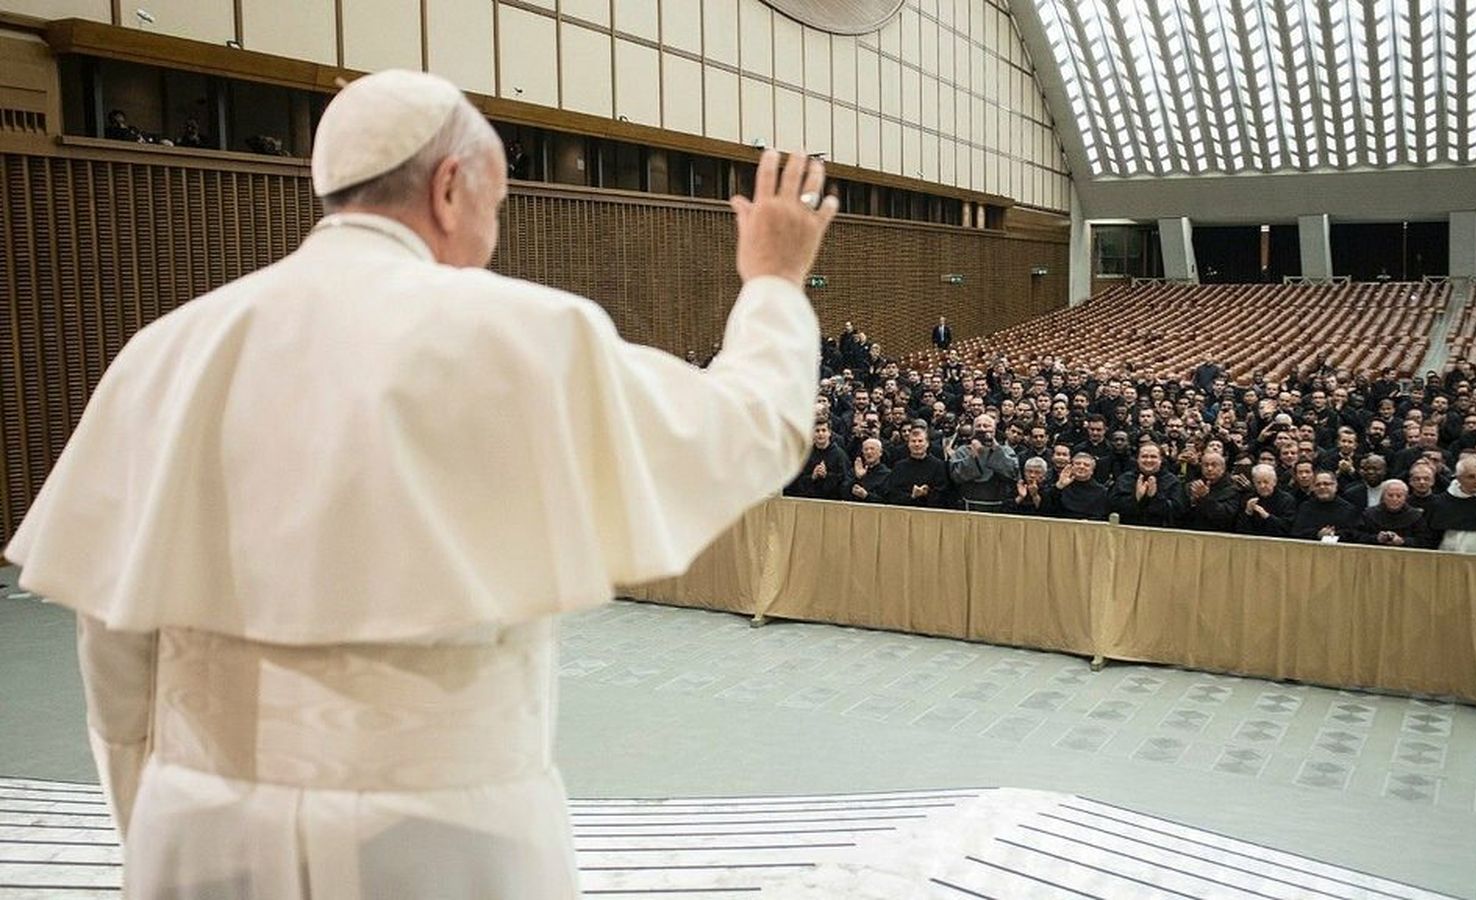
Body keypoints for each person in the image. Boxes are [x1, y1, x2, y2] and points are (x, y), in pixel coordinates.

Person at [3, 70, 838, 898]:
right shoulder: (522, 331)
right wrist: (772, 282)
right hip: (444, 837)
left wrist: (157, 821)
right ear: (450, 188)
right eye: (497, 205)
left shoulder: (166, 350)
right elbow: (750, 430)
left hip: (201, 827)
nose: (491, 234)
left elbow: (113, 642)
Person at [948, 413, 1019, 513]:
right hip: (970, 505)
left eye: (986, 426)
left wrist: (996, 449)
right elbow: (956, 476)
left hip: (998, 505)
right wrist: (973, 457)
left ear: (994, 430)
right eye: (978, 426)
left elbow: (1012, 473)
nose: (982, 429)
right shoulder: (963, 451)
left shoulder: (1006, 451)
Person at [1109, 442, 1182, 527]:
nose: (1148, 460)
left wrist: (1155, 497)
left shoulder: (1172, 481)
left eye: (1153, 457)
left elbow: (1178, 513)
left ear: (1161, 459)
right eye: (1144, 456)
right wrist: (1136, 497)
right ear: (1137, 459)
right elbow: (1112, 507)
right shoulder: (1125, 479)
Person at [1354, 479, 1436, 549]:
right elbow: (1356, 536)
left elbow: (1425, 541)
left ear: (1405, 497)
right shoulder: (1369, 514)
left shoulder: (1416, 516)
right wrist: (1376, 538)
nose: (1394, 499)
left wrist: (1403, 541)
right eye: (1390, 495)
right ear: (1383, 496)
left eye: (1399, 496)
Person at [886, 424, 950, 508]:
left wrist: (926, 493)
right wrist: (912, 496)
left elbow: (943, 493)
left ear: (927, 444)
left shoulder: (939, 466)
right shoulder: (899, 466)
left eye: (920, 441)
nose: (917, 444)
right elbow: (893, 493)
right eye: (913, 441)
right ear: (908, 444)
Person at [784, 421, 850, 500]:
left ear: (829, 433)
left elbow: (844, 483)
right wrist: (812, 477)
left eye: (823, 430)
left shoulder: (840, 455)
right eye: (817, 431)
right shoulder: (805, 454)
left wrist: (826, 476)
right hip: (808, 501)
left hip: (832, 502)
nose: (820, 434)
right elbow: (796, 481)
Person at [1181, 450, 1242, 532]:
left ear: (1223, 468)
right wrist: (1193, 501)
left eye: (1214, 465)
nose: (1209, 469)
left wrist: (1205, 498)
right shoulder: (1192, 486)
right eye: (1206, 465)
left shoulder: (1233, 490)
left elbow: (1226, 518)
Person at [1290, 471, 1360, 541]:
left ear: (1335, 486)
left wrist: (1333, 534)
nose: (1322, 487)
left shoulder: (1348, 509)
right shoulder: (1305, 508)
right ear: (1313, 488)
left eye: (1326, 484)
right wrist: (1317, 534)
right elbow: (1296, 533)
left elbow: (1354, 535)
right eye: (1318, 485)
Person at [1237, 464, 1297, 537]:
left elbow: (1286, 528)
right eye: (1258, 483)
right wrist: (1248, 513)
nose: (1262, 486)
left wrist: (1267, 516)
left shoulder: (1287, 500)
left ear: (1274, 482)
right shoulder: (1247, 498)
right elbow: (1239, 529)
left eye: (1266, 482)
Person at [1049, 452, 1110, 521]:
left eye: (1086, 465)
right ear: (1071, 467)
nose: (1081, 467)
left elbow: (1102, 516)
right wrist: (1059, 486)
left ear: (1092, 471)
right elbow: (1047, 509)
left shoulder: (1101, 491)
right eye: (1077, 464)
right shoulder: (1061, 486)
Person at [848, 437, 892, 503]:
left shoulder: (887, 474)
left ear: (880, 453)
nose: (869, 452)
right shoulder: (854, 470)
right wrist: (858, 478)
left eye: (872, 449)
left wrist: (867, 496)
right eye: (866, 449)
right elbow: (843, 492)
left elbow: (887, 500)